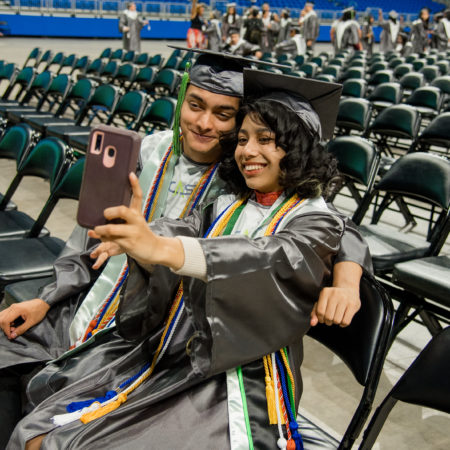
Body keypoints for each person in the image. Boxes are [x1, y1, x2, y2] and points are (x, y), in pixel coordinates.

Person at [0, 49, 368, 448]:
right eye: (195, 105)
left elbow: (310, 242)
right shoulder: (154, 155)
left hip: (208, 348)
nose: (205, 124)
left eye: (226, 117)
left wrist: (348, 280)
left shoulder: (260, 187)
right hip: (138, 316)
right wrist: (48, 297)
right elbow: (106, 234)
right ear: (181, 104)